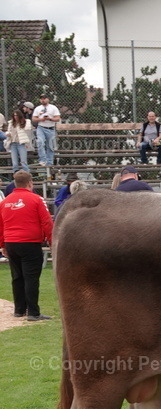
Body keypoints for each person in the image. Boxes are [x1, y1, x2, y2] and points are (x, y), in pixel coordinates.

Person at [0, 170, 54, 321]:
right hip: (29, 243)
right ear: (30, 183)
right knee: (31, 278)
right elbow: (47, 223)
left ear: (15, 183)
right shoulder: (37, 199)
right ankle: (33, 312)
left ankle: (19, 310)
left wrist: (2, 245)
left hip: (11, 242)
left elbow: (1, 225)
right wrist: (52, 241)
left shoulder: (5, 202)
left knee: (17, 277)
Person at [32, 94, 60, 169]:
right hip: (41, 127)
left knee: (50, 146)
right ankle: (43, 160)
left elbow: (57, 118)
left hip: (51, 128)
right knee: (40, 142)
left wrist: (50, 119)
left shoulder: (53, 107)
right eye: (41, 99)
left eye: (44, 98)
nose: (43, 100)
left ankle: (49, 163)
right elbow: (34, 119)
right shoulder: (38, 108)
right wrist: (41, 119)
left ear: (48, 99)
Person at [7, 110, 33, 174]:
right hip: (13, 143)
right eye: (14, 115)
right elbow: (9, 131)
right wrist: (8, 134)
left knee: (23, 161)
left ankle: (27, 174)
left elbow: (28, 128)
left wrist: (22, 122)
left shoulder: (25, 122)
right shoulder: (11, 123)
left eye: (17, 115)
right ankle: (16, 175)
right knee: (15, 163)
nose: (15, 117)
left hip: (21, 143)